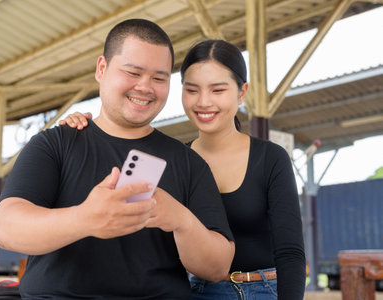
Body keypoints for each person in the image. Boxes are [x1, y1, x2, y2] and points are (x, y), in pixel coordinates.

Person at [0, 19, 235, 299]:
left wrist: (180, 220)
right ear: (102, 69)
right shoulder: (55, 143)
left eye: (159, 78)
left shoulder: (188, 162)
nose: (145, 87)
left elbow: (218, 267)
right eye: (133, 72)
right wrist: (85, 218)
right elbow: (6, 228)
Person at [61, 39, 306, 299]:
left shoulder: (270, 158)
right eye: (192, 90)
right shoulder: (173, 160)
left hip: (264, 290)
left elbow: (290, 253)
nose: (203, 102)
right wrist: (82, 130)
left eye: (218, 90)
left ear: (242, 92)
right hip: (195, 290)